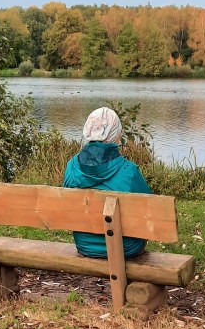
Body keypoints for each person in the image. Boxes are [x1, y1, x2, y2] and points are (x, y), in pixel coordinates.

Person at [63, 106, 152, 259]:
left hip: (85, 246)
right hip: (126, 248)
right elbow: (148, 210)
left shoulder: (71, 166)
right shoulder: (129, 171)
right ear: (115, 135)